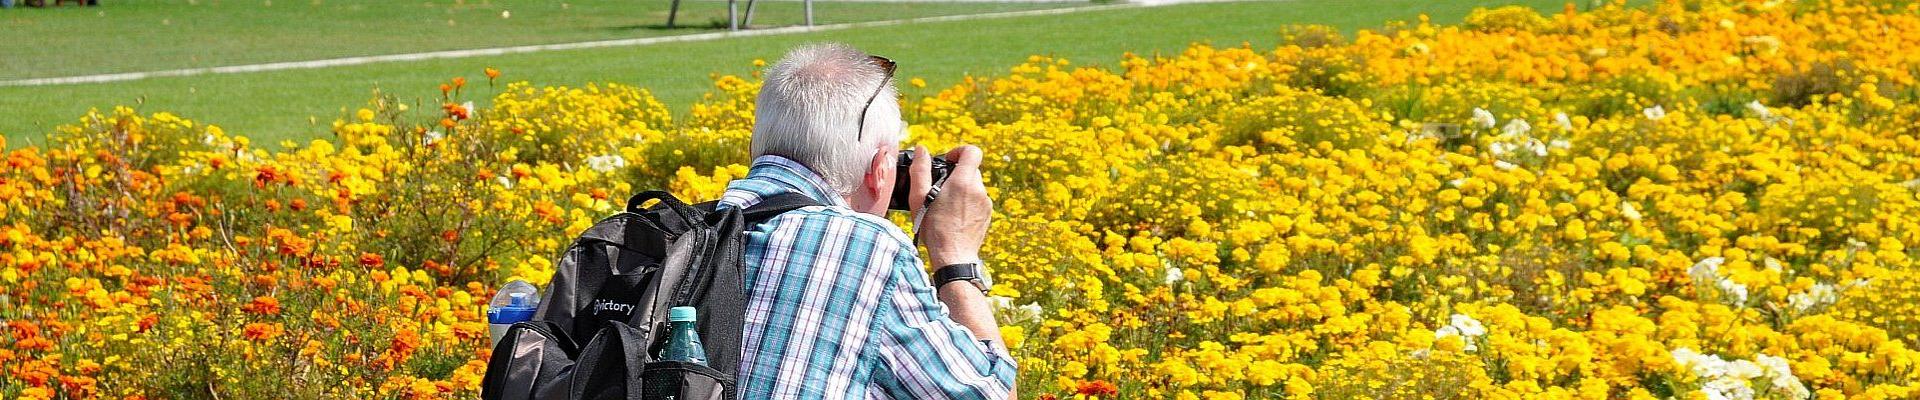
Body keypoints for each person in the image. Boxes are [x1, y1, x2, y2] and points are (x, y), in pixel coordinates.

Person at [715, 43, 1017, 399]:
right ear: (881, 169)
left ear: (755, 148)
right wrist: (954, 255)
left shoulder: (679, 227)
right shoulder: (867, 248)